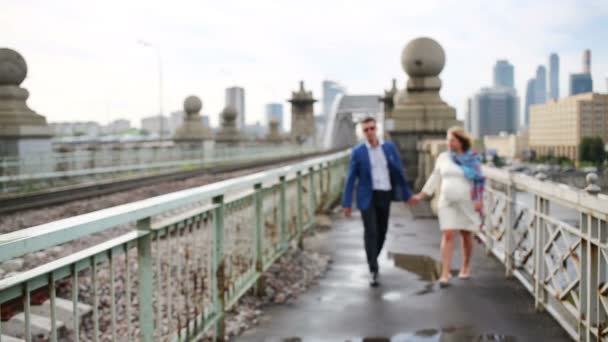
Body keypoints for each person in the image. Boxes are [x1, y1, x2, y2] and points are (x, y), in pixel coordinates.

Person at [342, 117, 415, 287]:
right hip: (367, 196)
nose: (369, 132)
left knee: (382, 231)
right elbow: (351, 178)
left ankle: (373, 256)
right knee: (371, 231)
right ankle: (373, 269)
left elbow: (398, 171)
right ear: (362, 132)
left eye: (372, 128)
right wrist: (346, 203)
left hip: (385, 194)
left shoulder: (389, 148)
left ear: (377, 129)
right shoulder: (358, 152)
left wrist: (407, 194)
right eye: (366, 130)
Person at [410, 127, 485, 287]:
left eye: (452, 140)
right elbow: (435, 177)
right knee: (448, 234)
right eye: (447, 139)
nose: (448, 143)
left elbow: (479, 180)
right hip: (446, 202)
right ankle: (445, 272)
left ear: (461, 141)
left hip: (467, 202)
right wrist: (422, 195)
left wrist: (479, 199)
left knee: (466, 235)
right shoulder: (443, 157)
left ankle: (465, 266)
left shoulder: (472, 158)